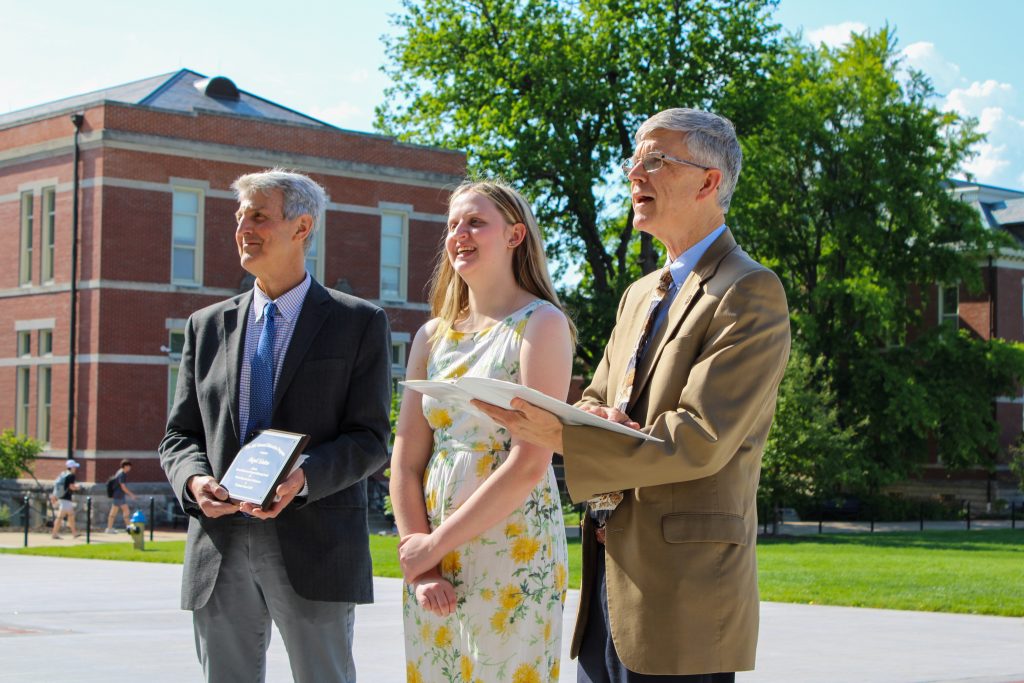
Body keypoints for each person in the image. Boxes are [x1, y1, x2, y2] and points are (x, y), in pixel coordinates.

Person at [476, 109, 792, 682]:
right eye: (634, 161)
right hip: (607, 580)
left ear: (708, 182)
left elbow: (700, 438)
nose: (634, 175)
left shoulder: (749, 290)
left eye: (655, 160)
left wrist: (568, 436)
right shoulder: (640, 292)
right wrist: (591, 416)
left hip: (684, 592)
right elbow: (597, 396)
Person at [158, 168, 392, 683]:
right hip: (218, 546)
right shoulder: (206, 326)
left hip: (316, 545)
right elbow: (180, 436)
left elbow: (372, 439)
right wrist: (195, 482)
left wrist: (304, 477)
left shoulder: (358, 322)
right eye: (240, 217)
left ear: (302, 227)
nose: (244, 228)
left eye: (259, 216)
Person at [390, 179, 575, 683]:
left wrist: (433, 545)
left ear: (515, 235)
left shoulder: (542, 325)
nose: (459, 234)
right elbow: (405, 460)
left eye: (475, 222)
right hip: (432, 551)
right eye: (452, 224)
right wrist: (422, 559)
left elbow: (531, 461)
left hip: (513, 544)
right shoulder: (432, 335)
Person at [51, 459, 82, 539]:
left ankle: (74, 533)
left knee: (71, 516)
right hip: (66, 498)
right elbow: (71, 487)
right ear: (71, 467)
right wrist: (77, 487)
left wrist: (54, 496)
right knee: (60, 517)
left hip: (62, 497)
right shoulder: (71, 476)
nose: (75, 468)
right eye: (74, 467)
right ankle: (54, 533)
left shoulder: (63, 474)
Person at [104, 459, 137, 533]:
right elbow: (123, 486)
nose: (130, 468)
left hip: (118, 495)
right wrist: (131, 495)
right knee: (125, 511)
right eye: (129, 466)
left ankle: (110, 528)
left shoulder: (119, 472)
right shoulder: (122, 474)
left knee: (115, 511)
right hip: (119, 495)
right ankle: (128, 527)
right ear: (125, 466)